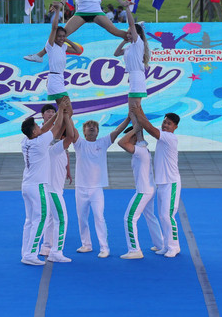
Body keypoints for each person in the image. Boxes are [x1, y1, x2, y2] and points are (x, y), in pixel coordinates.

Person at [72, 116, 131, 258]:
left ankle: (104, 248)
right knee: (82, 218)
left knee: (99, 217)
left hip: (96, 189)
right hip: (80, 188)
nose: (92, 127)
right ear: (84, 132)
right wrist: (67, 114)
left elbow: (118, 130)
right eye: (89, 126)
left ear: (98, 132)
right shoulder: (79, 143)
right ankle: (86, 244)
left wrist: (129, 118)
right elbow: (71, 129)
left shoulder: (103, 142)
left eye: (94, 126)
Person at [19, 99, 68, 266]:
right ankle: (31, 254)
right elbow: (56, 127)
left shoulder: (26, 140)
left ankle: (25, 252)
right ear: (34, 131)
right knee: (41, 219)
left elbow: (45, 129)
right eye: (37, 126)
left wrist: (56, 114)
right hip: (38, 186)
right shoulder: (40, 143)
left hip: (26, 185)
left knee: (29, 220)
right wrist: (60, 111)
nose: (40, 127)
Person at [132, 105, 182, 258]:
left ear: (175, 127)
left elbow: (149, 127)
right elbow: (149, 125)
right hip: (162, 183)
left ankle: (174, 247)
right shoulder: (163, 136)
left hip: (171, 183)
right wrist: (139, 108)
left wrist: (137, 111)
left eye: (169, 124)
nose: (165, 125)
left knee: (168, 216)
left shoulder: (169, 138)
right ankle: (166, 245)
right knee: (162, 216)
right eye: (164, 122)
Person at [117, 126, 164, 259]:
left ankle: (135, 250)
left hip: (143, 191)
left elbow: (121, 143)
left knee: (129, 218)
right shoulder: (143, 148)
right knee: (150, 216)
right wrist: (136, 128)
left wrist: (136, 129)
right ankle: (160, 244)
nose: (127, 140)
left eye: (129, 137)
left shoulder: (140, 151)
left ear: (134, 137)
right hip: (149, 188)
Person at [39, 115, 76, 263]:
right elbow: (71, 136)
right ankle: (56, 252)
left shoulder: (56, 149)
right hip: (54, 192)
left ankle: (46, 247)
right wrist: (67, 115)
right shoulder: (55, 148)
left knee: (51, 219)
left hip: (51, 190)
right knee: (62, 221)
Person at [115, 23, 150, 143]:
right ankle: (141, 139)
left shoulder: (138, 44)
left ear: (137, 34)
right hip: (134, 79)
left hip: (137, 79)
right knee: (135, 112)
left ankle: (140, 139)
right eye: (127, 33)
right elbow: (116, 53)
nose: (128, 35)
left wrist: (128, 12)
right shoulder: (129, 47)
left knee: (133, 112)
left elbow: (131, 24)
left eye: (131, 33)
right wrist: (124, 41)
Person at [44, 9, 81, 116]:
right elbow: (54, 27)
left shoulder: (63, 47)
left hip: (59, 79)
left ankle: (56, 125)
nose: (61, 38)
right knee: (68, 111)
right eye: (59, 36)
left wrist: (67, 40)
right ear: (54, 37)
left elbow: (78, 51)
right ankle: (54, 124)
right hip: (55, 80)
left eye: (63, 36)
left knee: (65, 112)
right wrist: (57, 11)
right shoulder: (50, 46)